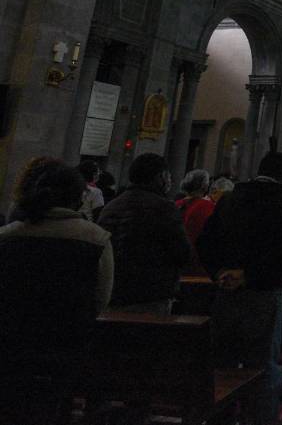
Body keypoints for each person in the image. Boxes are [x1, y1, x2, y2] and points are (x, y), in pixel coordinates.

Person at [0, 160, 114, 423]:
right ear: (77, 197)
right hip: (68, 344)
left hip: (11, 342)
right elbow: (101, 298)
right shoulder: (96, 238)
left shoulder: (7, 236)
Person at [196, 152, 282, 425]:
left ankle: (221, 420)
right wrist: (249, 275)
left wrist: (219, 272)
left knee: (223, 361)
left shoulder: (229, 200)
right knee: (263, 363)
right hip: (264, 293)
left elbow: (204, 243)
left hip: (226, 291)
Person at [98, 152, 190, 314]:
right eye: (169, 176)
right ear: (161, 177)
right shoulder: (165, 208)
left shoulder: (111, 206)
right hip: (151, 292)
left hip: (115, 289)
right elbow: (182, 252)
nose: (171, 180)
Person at [177, 168, 217, 272]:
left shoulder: (176, 205)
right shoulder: (209, 207)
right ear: (204, 186)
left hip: (175, 260)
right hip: (197, 262)